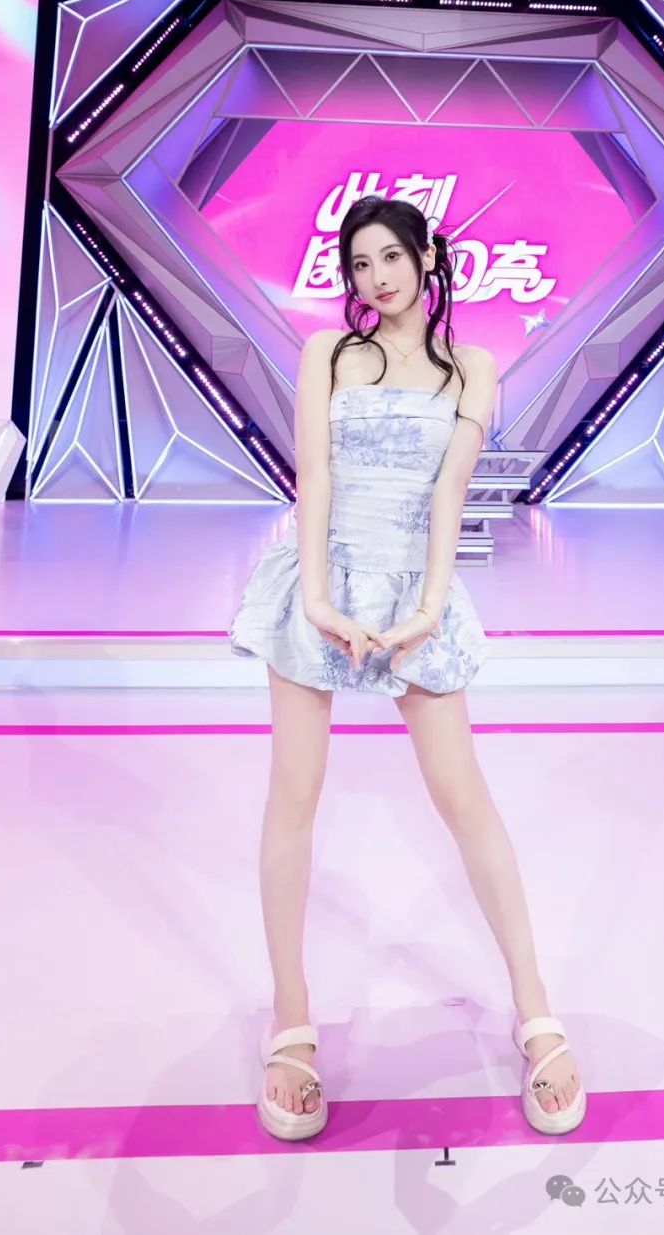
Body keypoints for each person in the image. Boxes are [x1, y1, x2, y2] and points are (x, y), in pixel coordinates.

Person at [228, 194, 586, 1142]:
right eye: (359, 263)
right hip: (321, 577)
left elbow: (448, 494)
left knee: (464, 797)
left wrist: (427, 609)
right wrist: (316, 597)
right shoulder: (327, 354)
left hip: (412, 590)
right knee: (293, 797)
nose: (376, 277)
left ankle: (536, 1011)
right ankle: (291, 1020)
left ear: (428, 258)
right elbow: (313, 477)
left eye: (391, 256)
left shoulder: (473, 367)